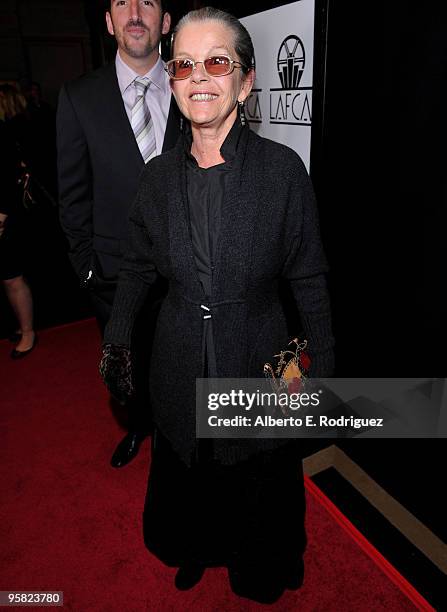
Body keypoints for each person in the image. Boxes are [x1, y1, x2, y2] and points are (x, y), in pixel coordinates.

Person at [100, 7, 334, 604]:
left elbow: (308, 276)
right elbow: (135, 270)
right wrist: (118, 341)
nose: (199, 76)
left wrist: (325, 366)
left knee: (258, 474)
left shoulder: (284, 172)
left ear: (246, 80)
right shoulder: (155, 180)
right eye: (184, 64)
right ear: (172, 80)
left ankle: (259, 561)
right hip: (179, 357)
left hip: (258, 353)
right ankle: (200, 547)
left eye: (217, 62)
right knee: (191, 464)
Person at [56, 0, 181, 468]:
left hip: (183, 273)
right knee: (127, 371)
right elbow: (72, 195)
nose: (135, 12)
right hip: (111, 277)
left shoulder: (194, 88)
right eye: (122, 2)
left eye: (147, 1)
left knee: (178, 366)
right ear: (108, 23)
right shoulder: (79, 96)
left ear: (165, 22)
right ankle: (138, 427)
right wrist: (88, 270)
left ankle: (173, 435)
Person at [0, 86, 37, 359]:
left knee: (12, 277)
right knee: (8, 277)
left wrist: (1, 217)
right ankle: (21, 326)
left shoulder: (8, 133)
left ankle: (28, 332)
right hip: (11, 213)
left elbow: (7, 180)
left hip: (9, 215)